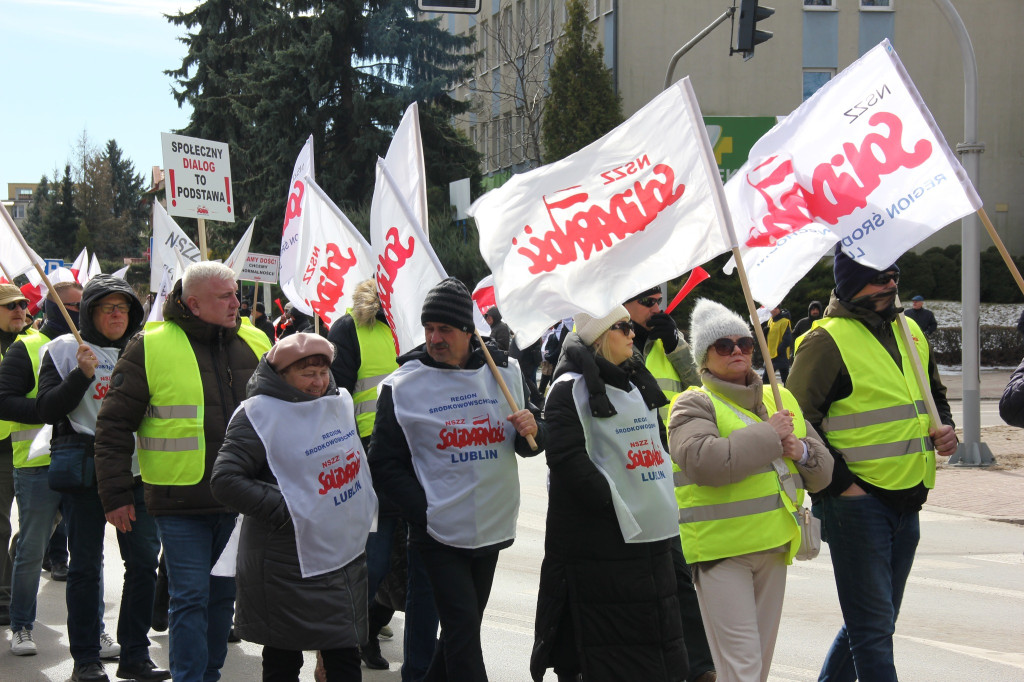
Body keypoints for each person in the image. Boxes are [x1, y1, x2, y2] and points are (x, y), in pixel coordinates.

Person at [786, 246, 958, 681]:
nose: (891, 284)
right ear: (850, 285)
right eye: (879, 277)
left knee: (874, 624)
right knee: (873, 629)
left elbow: (933, 395)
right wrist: (840, 485)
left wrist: (946, 427)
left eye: (893, 274)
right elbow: (796, 420)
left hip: (908, 495)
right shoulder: (825, 340)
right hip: (855, 504)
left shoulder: (910, 330)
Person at [94, 261, 271, 682]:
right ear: (193, 303)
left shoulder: (257, 339)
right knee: (190, 596)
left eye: (236, 293)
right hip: (178, 499)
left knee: (223, 596)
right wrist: (116, 495)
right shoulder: (150, 345)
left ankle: (208, 673)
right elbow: (114, 425)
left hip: (241, 499)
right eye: (224, 296)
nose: (237, 302)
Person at [369, 277, 546, 681]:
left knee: (458, 634)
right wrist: (425, 512)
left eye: (444, 329)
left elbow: (531, 444)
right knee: (464, 634)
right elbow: (383, 463)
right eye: (429, 329)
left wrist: (533, 428)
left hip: (492, 527)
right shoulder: (403, 386)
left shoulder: (506, 373)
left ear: (469, 332)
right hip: (438, 535)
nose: (434, 338)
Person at [668, 299, 832, 682]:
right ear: (704, 359)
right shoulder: (692, 404)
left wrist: (802, 450)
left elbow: (824, 473)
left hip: (775, 545)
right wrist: (771, 435)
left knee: (755, 669)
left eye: (744, 343)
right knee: (741, 668)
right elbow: (705, 462)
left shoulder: (781, 396)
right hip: (722, 551)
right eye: (723, 346)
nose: (737, 351)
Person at [531, 306, 687, 682]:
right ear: (600, 337)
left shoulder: (636, 382)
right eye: (623, 327)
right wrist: (619, 504)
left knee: (651, 657)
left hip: (651, 543)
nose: (633, 334)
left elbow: (657, 445)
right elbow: (567, 460)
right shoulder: (569, 389)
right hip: (603, 546)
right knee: (609, 657)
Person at [211, 333, 377, 682]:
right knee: (283, 659)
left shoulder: (337, 401)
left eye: (322, 372)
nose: (318, 383)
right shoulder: (258, 414)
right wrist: (292, 511)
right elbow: (225, 479)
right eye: (307, 374)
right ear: (282, 374)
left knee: (344, 655)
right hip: (286, 561)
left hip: (341, 556)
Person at [36, 275, 168, 682]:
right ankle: (87, 660)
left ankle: (134, 654)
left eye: (123, 307)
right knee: (86, 567)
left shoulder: (144, 349)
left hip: (137, 472)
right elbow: (45, 408)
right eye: (107, 307)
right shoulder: (63, 349)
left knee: (144, 563)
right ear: (89, 311)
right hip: (86, 471)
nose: (116, 314)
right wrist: (80, 376)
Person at [327, 279, 439, 677]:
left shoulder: (423, 326)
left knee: (412, 566)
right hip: (370, 462)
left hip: (422, 460)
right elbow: (334, 397)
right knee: (374, 560)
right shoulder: (348, 329)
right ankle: (354, 636)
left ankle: (371, 628)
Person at [623, 286, 714, 682]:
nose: (656, 309)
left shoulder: (668, 342)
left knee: (680, 579)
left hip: (675, 479)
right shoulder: (612, 343)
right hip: (633, 481)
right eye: (647, 302)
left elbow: (704, 390)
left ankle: (700, 668)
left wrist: (677, 344)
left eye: (658, 301)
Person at [0, 281, 83, 656]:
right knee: (29, 546)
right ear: (52, 309)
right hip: (33, 461)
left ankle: (93, 631)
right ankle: (19, 622)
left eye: (85, 305)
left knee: (88, 551)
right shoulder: (28, 347)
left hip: (80, 459)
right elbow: (5, 401)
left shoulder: (92, 346)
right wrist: (49, 408)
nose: (80, 312)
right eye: (71, 306)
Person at [0, 284, 34, 628]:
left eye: (23, 304)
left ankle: (11, 563)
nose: (19, 309)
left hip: (35, 446)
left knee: (42, 523)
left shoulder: (35, 343)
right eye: (10, 305)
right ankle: (2, 596)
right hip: (0, 449)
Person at [763, 307, 794, 385]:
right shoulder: (770, 320)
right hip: (771, 354)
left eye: (776, 308)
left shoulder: (785, 322)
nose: (774, 310)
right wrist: (765, 333)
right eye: (772, 308)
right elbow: (770, 337)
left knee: (785, 379)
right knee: (766, 379)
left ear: (779, 309)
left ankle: (788, 395)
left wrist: (779, 350)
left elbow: (787, 340)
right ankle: (766, 395)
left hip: (781, 354)